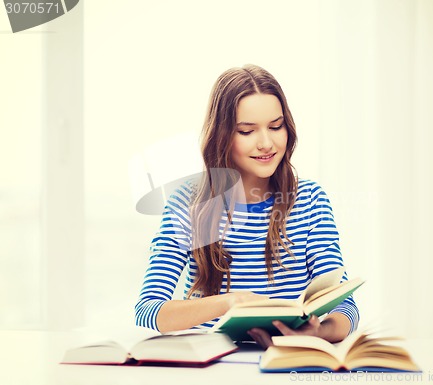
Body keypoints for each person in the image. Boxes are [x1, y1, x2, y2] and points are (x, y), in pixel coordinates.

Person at [135, 64, 359, 347]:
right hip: (213, 364)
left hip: (287, 359)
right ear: (222, 136)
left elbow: (346, 307)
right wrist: (232, 302)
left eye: (276, 127)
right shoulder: (186, 204)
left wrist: (319, 332)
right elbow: (149, 310)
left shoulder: (310, 199)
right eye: (246, 131)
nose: (266, 143)